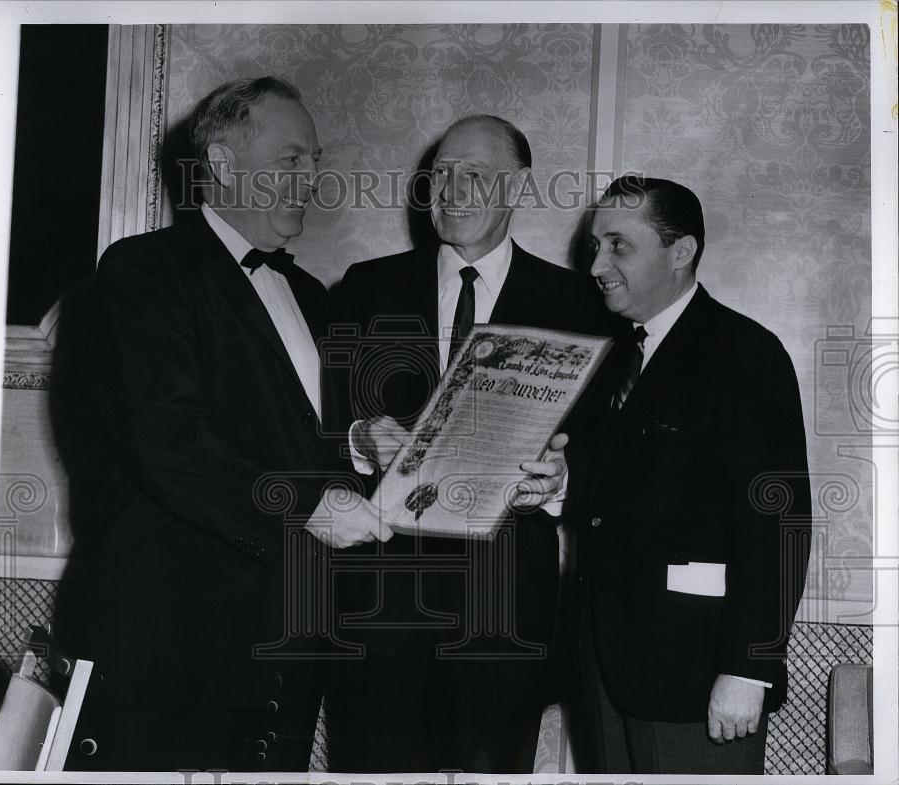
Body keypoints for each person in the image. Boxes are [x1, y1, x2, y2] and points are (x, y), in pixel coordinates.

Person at [71, 76, 388, 772]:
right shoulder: (144, 271)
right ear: (221, 164)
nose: (311, 180)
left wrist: (363, 445)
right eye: (291, 160)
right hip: (175, 644)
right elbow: (168, 444)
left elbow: (305, 437)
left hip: (286, 643)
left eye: (315, 161)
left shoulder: (308, 293)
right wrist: (309, 504)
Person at [327, 114, 608, 773]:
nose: (450, 188)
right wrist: (357, 439)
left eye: (473, 174)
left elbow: (606, 450)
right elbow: (312, 428)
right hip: (380, 603)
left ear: (517, 186)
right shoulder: (365, 287)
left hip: (506, 607)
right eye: (440, 173)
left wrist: (564, 478)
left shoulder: (578, 302)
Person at [575, 176, 811, 774]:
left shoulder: (745, 354)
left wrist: (748, 668)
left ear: (681, 252)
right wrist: (556, 486)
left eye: (617, 245)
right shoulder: (608, 358)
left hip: (699, 675)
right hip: (604, 668)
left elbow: (779, 528)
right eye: (594, 245)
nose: (597, 263)